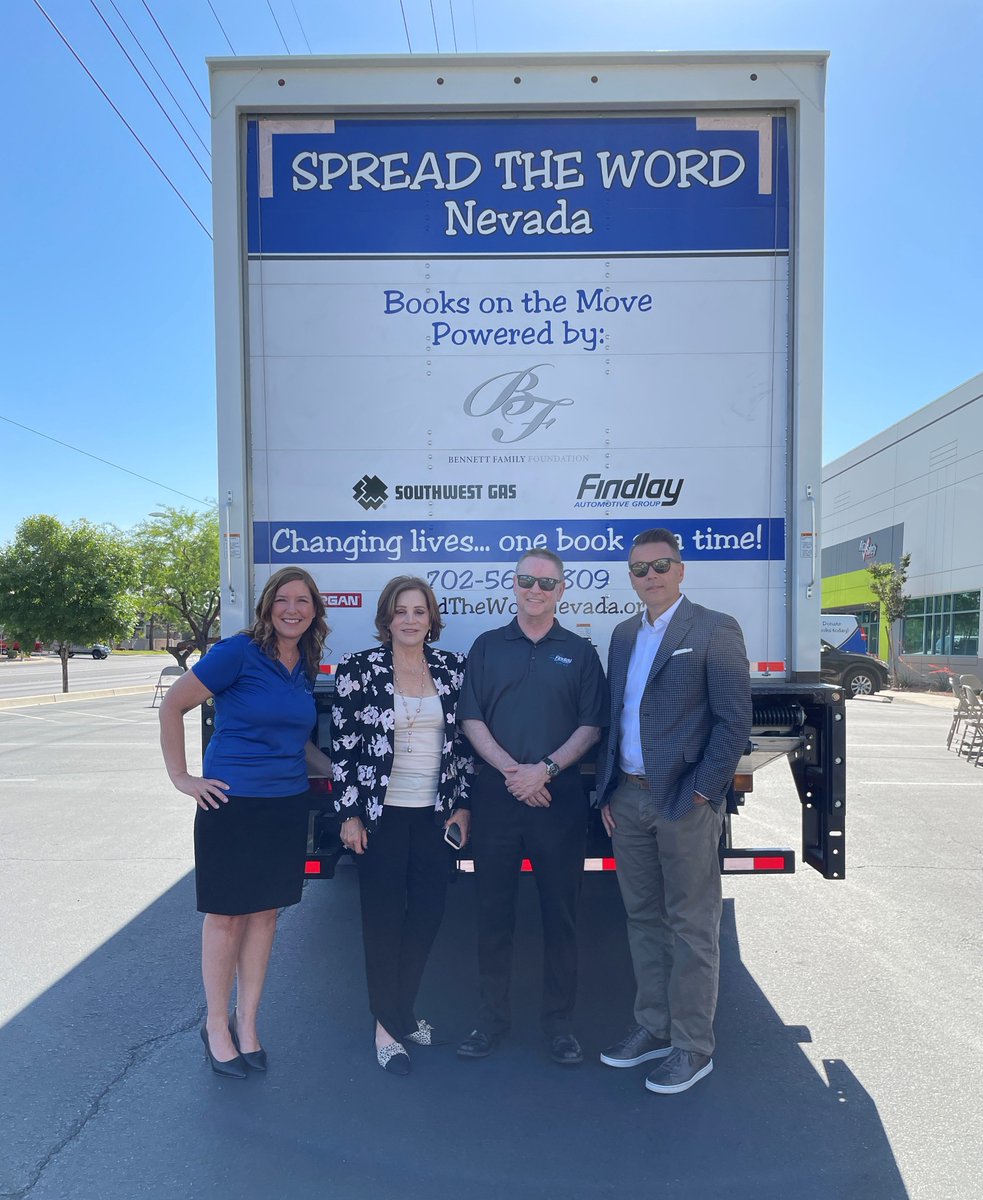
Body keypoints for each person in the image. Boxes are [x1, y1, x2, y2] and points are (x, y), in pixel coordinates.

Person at [595, 528, 752, 1094]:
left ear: (680, 570)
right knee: (643, 919)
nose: (650, 576)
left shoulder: (714, 628)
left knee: (692, 925)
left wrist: (702, 792)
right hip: (630, 799)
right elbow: (616, 716)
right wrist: (610, 790)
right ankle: (652, 1027)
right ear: (631, 576)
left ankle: (691, 1045)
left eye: (661, 566)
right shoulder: (622, 634)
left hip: (684, 800)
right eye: (640, 569)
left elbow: (734, 721)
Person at [159, 567, 332, 1079]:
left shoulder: (303, 661)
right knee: (227, 917)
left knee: (265, 916)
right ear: (267, 607)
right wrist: (182, 777)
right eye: (283, 600)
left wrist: (340, 772)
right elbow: (174, 705)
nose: (293, 609)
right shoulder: (238, 652)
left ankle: (248, 1023)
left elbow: (294, 741)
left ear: (314, 610)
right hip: (230, 805)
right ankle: (215, 1026)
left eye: (303, 601)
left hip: (285, 805)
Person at [455, 550, 608, 1066]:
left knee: (560, 913)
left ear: (562, 590)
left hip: (558, 799)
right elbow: (472, 721)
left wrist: (544, 770)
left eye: (546, 582)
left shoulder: (581, 652)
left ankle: (559, 1025)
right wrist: (513, 774)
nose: (535, 589)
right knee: (491, 912)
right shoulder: (486, 646)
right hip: (497, 799)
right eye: (526, 580)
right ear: (513, 585)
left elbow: (591, 726)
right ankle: (490, 1020)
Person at [331, 576, 474, 1075]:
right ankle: (386, 1028)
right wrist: (349, 813)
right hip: (380, 816)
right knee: (383, 919)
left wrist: (463, 806)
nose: (410, 619)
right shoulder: (358, 669)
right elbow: (344, 747)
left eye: (419, 611)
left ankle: (401, 1010)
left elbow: (467, 747)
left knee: (428, 915)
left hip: (435, 815)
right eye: (401, 611)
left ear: (431, 619)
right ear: (386, 619)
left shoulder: (454, 670)